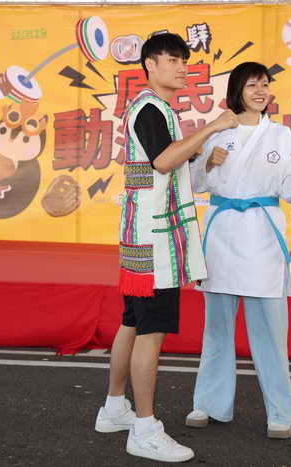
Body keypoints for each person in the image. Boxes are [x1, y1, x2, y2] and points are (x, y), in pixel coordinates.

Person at [94, 32, 238, 463]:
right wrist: (212, 127)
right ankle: (144, 428)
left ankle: (114, 408)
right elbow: (163, 161)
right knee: (150, 332)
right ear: (150, 65)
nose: (181, 67)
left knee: (132, 323)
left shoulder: (156, 109)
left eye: (183, 61)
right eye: (172, 60)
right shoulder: (151, 108)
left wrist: (201, 155)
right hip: (154, 241)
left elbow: (169, 163)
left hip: (142, 234)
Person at [186, 62, 291, 439]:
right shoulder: (217, 130)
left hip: (262, 237)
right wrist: (206, 164)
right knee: (217, 330)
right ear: (237, 90)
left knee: (271, 334)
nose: (261, 91)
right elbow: (194, 183)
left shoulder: (280, 135)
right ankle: (208, 404)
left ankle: (280, 413)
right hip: (222, 235)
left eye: (265, 84)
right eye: (252, 85)